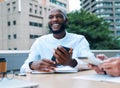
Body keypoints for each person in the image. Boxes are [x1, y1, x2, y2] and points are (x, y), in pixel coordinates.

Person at [20, 7, 94, 73]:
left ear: (66, 21)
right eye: (51, 17)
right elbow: (23, 68)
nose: (54, 19)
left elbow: (92, 63)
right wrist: (32, 65)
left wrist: (71, 62)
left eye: (59, 16)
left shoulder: (79, 39)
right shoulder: (40, 41)